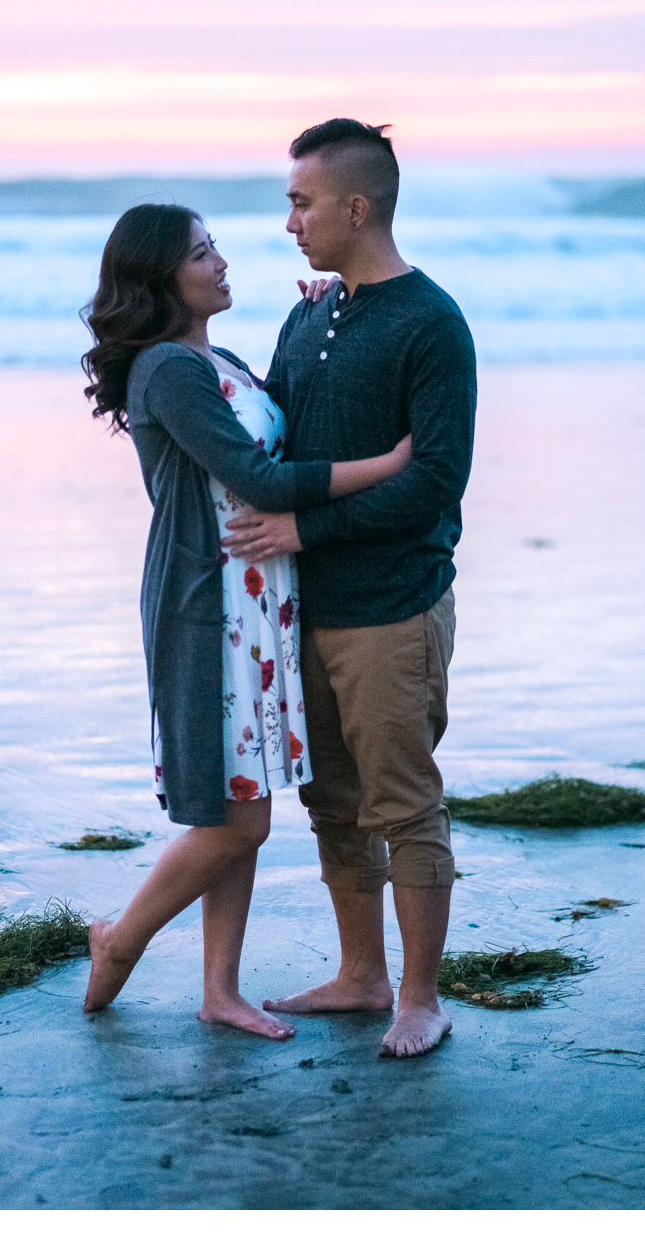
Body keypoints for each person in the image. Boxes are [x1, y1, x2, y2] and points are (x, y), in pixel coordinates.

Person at [79, 203, 412, 1038]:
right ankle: (121, 938)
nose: (221, 262)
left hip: (259, 609)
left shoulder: (214, 358)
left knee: (241, 804)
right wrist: (392, 463)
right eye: (201, 253)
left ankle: (219, 991)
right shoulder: (166, 370)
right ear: (163, 277)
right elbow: (256, 477)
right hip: (207, 609)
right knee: (237, 818)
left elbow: (280, 417)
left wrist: (317, 312)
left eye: (215, 246)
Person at [223, 119, 477, 1058]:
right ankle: (362, 974)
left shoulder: (432, 323)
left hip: (392, 605)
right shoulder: (309, 313)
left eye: (302, 201)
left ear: (355, 207)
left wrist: (304, 527)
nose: (289, 219)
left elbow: (434, 479)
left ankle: (420, 994)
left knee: (401, 800)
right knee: (331, 799)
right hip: (304, 608)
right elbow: (279, 436)